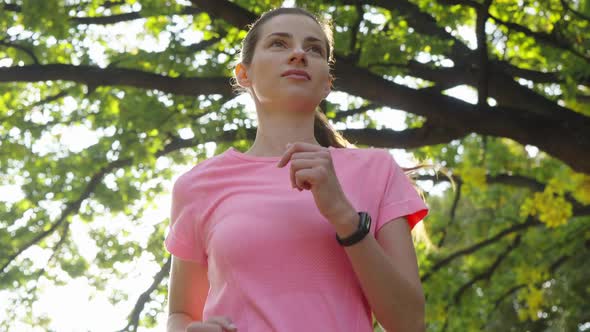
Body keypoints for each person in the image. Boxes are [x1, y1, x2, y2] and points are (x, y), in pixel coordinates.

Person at [164, 7, 429, 332]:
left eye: (314, 49)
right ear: (244, 74)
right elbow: (180, 314)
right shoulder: (197, 185)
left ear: (327, 83)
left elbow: (410, 323)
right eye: (279, 44)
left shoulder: (378, 170)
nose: (299, 54)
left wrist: (344, 216)